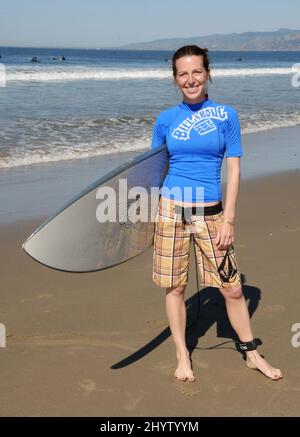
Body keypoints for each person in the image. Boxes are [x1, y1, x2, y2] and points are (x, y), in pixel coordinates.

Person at [151, 45, 282, 383]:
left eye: (197, 71)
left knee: (233, 288)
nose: (190, 79)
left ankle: (252, 353)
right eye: (183, 73)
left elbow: (234, 170)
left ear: (208, 73)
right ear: (175, 79)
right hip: (170, 210)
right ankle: (183, 354)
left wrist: (229, 219)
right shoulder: (165, 120)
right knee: (175, 287)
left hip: (211, 213)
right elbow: (153, 170)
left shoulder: (226, 115)